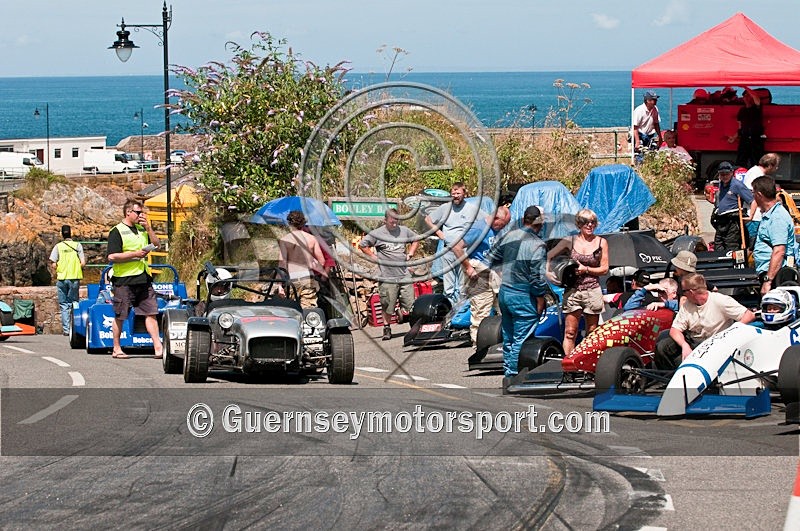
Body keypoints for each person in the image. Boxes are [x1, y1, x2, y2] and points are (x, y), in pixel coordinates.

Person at [486, 206, 548, 378]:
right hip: (523, 295)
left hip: (506, 292)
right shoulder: (537, 245)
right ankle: (513, 376)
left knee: (509, 338)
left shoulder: (508, 236)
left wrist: (503, 272)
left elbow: (491, 257)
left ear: (523, 220)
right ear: (540, 223)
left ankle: (508, 372)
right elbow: (537, 276)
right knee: (522, 338)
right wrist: (540, 298)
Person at [654, 273, 756, 370]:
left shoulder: (720, 300)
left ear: (691, 292)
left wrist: (733, 330)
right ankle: (674, 379)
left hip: (717, 344)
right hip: (694, 341)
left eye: (683, 291)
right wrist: (684, 345)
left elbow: (749, 315)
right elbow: (674, 330)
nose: (682, 294)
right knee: (662, 347)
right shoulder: (687, 305)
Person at [547, 208, 609, 355]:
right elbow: (548, 255)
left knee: (592, 331)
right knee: (570, 331)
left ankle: (589, 362)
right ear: (579, 224)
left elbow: (605, 269)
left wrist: (586, 269)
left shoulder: (601, 242)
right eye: (585, 222)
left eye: (593, 222)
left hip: (592, 290)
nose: (589, 225)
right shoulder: (570, 240)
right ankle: (570, 365)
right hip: (573, 290)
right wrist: (548, 273)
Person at [106, 200, 162, 359]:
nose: (141, 215)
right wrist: (135, 254)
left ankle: (158, 346)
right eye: (138, 212)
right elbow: (112, 256)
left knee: (151, 313)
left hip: (143, 278)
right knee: (120, 315)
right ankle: (117, 348)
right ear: (128, 212)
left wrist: (149, 228)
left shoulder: (142, 229)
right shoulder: (117, 231)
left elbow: (157, 245)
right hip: (124, 280)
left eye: (142, 212)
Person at [452, 205, 511, 344]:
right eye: (502, 224)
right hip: (478, 272)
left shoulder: (497, 230)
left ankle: (503, 342)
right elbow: (456, 247)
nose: (502, 228)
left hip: (494, 273)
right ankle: (478, 346)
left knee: (503, 308)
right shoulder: (478, 228)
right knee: (481, 309)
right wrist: (468, 267)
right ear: (495, 218)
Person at [359, 208, 419, 341]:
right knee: (387, 304)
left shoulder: (404, 231)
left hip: (404, 274)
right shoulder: (377, 233)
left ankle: (414, 328)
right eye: (391, 219)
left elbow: (416, 239)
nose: (394, 222)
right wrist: (374, 257)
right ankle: (387, 328)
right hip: (387, 275)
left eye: (396, 219)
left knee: (410, 303)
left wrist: (410, 253)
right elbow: (363, 245)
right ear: (385, 220)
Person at [424, 182, 480, 304]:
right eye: (453, 193)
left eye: (458, 193)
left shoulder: (472, 208)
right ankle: (450, 312)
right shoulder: (446, 208)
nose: (455, 195)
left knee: (462, 285)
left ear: (464, 193)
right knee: (448, 287)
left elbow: (484, 221)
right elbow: (428, 219)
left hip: (464, 252)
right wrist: (439, 234)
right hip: (448, 250)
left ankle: (460, 311)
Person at [751, 176, 797, 295]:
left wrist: (768, 281)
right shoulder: (770, 215)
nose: (753, 197)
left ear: (760, 195)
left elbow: (779, 251)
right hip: (770, 273)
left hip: (776, 276)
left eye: (753, 193)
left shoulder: (777, 218)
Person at [278, 210, 327, 309]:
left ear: (289, 223)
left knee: (292, 311)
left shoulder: (285, 240)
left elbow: (282, 263)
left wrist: (279, 285)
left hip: (291, 279)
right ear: (303, 223)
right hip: (307, 278)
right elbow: (322, 261)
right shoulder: (312, 239)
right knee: (308, 311)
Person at [49, 225, 86, 336]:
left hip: (62, 278)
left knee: (64, 304)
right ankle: (74, 328)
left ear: (62, 234)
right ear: (71, 233)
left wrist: (60, 268)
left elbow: (53, 264)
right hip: (74, 277)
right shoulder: (77, 245)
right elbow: (83, 263)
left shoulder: (58, 246)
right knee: (74, 303)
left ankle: (66, 329)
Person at [712, 161, 753, 251]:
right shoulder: (721, 184)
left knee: (731, 248)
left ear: (731, 173)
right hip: (721, 221)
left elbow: (752, 200)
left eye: (727, 174)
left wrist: (751, 216)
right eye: (722, 174)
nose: (724, 176)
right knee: (718, 246)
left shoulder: (737, 185)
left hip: (733, 222)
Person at [742, 153, 781, 244]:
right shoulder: (755, 174)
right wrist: (751, 215)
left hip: (757, 216)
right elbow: (751, 195)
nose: (777, 168)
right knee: (752, 245)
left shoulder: (757, 172)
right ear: (770, 165)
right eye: (776, 166)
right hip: (754, 218)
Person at [728, 86, 764, 169]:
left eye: (749, 96)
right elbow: (740, 127)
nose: (747, 98)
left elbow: (756, 98)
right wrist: (734, 137)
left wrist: (745, 87)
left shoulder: (756, 108)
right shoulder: (742, 111)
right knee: (741, 161)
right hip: (744, 138)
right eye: (745, 96)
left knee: (756, 161)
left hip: (756, 138)